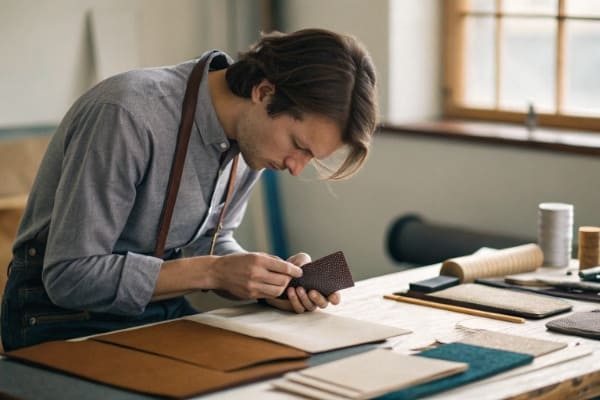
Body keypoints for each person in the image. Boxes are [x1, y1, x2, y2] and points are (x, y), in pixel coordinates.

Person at [1, 28, 378, 351]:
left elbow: (208, 244)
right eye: (299, 145)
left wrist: (262, 282)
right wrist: (213, 272)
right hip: (56, 316)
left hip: (158, 307)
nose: (296, 168)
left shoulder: (252, 142)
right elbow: (71, 276)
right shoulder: (127, 114)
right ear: (263, 93)